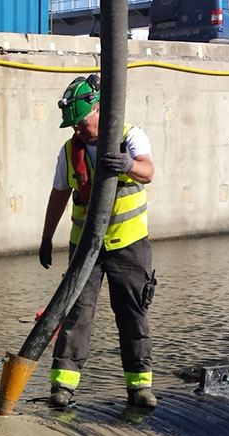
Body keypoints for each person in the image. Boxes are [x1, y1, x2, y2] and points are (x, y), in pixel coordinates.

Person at [38, 74, 159, 410]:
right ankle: (62, 387)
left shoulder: (129, 136)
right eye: (73, 127)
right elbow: (59, 194)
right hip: (85, 248)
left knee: (132, 313)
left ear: (99, 111)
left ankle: (139, 388)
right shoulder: (70, 150)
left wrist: (127, 163)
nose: (77, 131)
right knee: (76, 314)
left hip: (128, 245)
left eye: (80, 124)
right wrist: (47, 237)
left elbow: (148, 171)